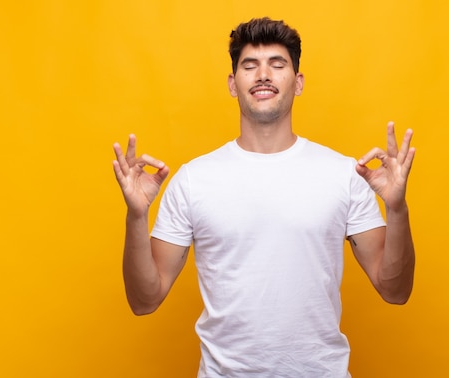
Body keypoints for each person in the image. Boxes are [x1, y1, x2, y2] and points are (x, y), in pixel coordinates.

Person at [112, 17, 416, 378]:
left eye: (277, 64)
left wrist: (396, 209)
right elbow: (144, 300)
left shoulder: (344, 174)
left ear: (298, 82)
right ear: (232, 83)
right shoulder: (194, 179)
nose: (263, 75)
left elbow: (395, 290)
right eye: (250, 65)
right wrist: (135, 217)